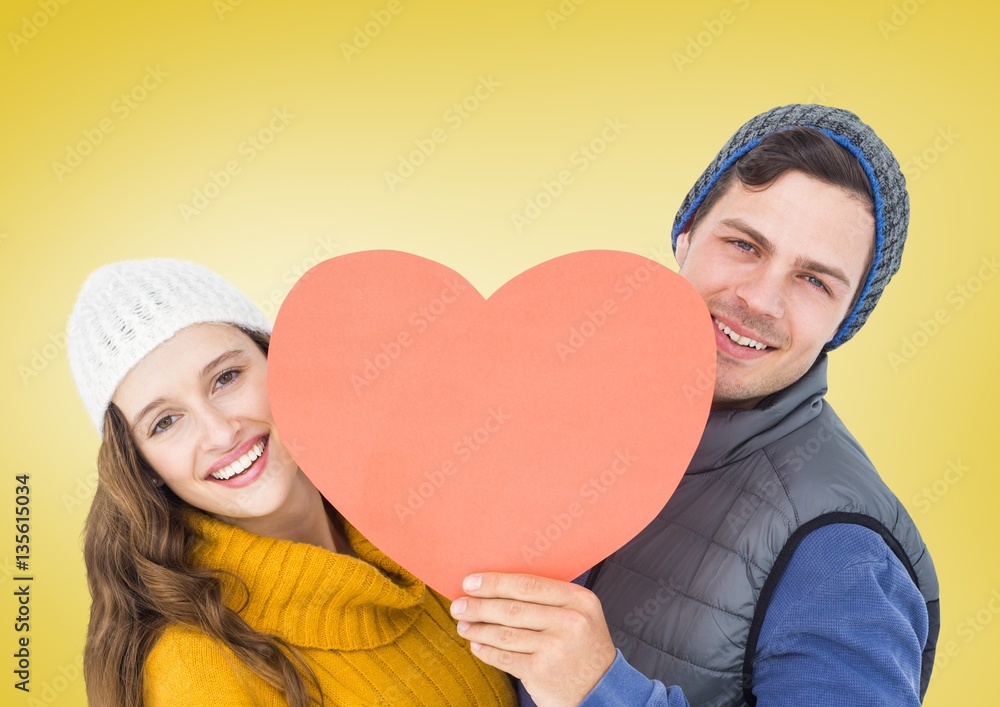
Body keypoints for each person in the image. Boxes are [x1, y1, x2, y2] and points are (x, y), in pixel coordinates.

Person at [452, 104, 940, 706]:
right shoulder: (555, 412)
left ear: (844, 323)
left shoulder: (840, 553)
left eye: (815, 281)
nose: (759, 299)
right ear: (685, 235)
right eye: (743, 244)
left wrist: (602, 690)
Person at [67, 258, 517, 706]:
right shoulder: (195, 673)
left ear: (277, 361)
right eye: (165, 422)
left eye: (226, 378)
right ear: (143, 467)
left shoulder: (432, 522)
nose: (221, 433)